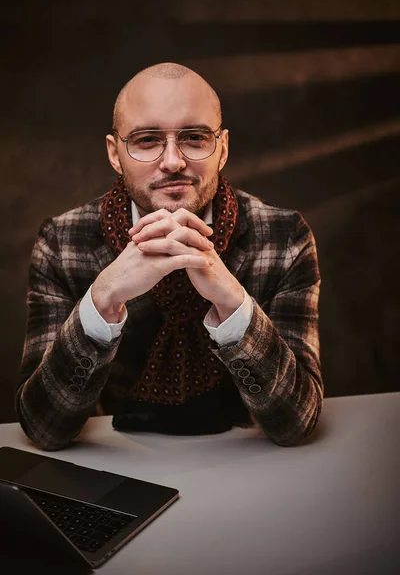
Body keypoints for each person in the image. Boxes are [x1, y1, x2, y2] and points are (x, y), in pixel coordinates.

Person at [16, 62, 322, 451]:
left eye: (194, 137)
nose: (173, 161)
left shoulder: (285, 238)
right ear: (115, 153)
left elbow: (297, 425)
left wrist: (232, 301)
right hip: (116, 464)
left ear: (222, 148)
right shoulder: (61, 242)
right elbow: (43, 428)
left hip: (247, 460)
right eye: (146, 140)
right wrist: (102, 298)